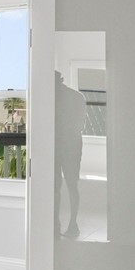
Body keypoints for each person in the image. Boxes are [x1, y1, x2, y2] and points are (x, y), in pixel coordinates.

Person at [54, 69, 86, 239]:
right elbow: (80, 124)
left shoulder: (70, 97)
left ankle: (68, 224)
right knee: (66, 185)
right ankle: (64, 224)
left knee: (66, 185)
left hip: (67, 145)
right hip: (66, 145)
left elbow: (78, 124)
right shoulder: (76, 97)